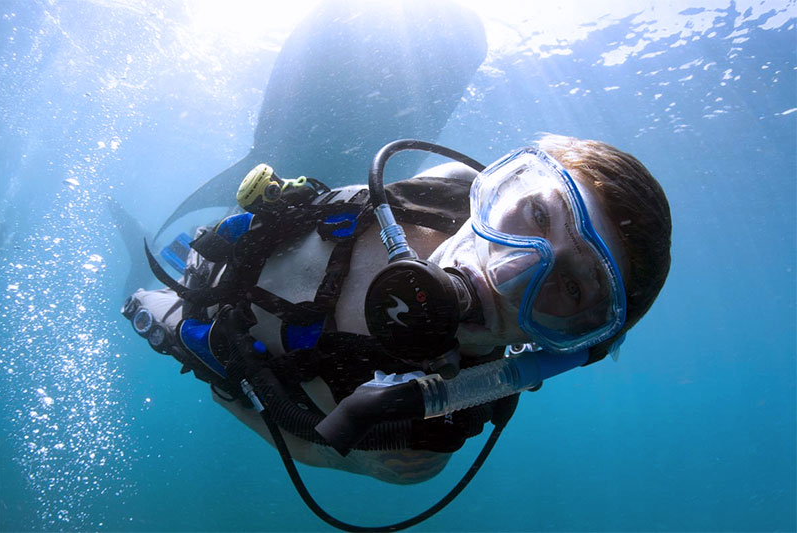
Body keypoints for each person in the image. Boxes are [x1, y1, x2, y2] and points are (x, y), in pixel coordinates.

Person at [122, 134, 671, 517]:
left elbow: (301, 439)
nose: (509, 270)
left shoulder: (417, 446)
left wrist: (219, 375)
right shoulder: (448, 186)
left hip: (205, 325)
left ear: (570, 344)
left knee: (155, 312)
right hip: (224, 251)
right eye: (538, 215)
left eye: (572, 288)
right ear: (503, 184)